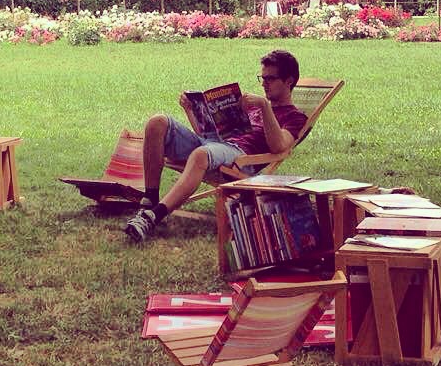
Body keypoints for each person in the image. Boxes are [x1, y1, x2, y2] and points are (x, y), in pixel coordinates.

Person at [124, 49, 308, 243]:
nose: (264, 83)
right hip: (215, 144)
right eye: (261, 78)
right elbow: (205, 134)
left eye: (270, 78)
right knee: (157, 122)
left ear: (289, 81)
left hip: (239, 158)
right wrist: (190, 110)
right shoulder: (250, 107)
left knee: (201, 155)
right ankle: (149, 200)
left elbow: (280, 147)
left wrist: (264, 106)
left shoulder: (295, 117)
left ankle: (153, 216)